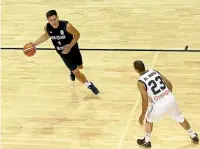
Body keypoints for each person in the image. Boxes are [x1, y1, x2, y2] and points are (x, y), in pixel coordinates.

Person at [30, 10, 99, 95]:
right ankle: (89, 84)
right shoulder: (47, 27)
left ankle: (72, 71)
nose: (53, 22)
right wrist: (34, 44)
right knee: (77, 73)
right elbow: (46, 35)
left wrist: (69, 47)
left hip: (73, 49)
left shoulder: (67, 26)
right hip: (63, 53)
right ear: (48, 20)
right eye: (50, 20)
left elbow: (77, 35)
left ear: (58, 17)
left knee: (80, 67)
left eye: (55, 19)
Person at [133, 60, 199, 147]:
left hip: (158, 105)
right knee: (180, 118)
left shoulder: (140, 82)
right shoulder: (154, 72)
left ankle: (147, 141)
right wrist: (166, 95)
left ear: (136, 70)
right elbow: (169, 84)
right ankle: (193, 135)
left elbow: (145, 99)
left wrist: (142, 115)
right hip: (170, 99)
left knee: (148, 120)